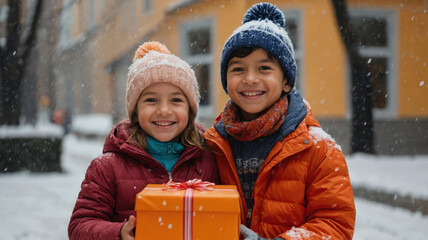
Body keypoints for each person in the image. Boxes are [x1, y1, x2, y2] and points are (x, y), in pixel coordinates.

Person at [204, 2, 356, 240]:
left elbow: (334, 224)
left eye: (264, 68)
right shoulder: (212, 144)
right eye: (238, 69)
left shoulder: (319, 149)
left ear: (286, 82)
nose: (250, 78)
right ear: (226, 81)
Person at [68, 41, 219, 240]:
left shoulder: (208, 159)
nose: (164, 110)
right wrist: (118, 233)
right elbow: (80, 227)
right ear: (135, 110)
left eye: (176, 100)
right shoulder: (107, 168)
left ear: (190, 110)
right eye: (151, 100)